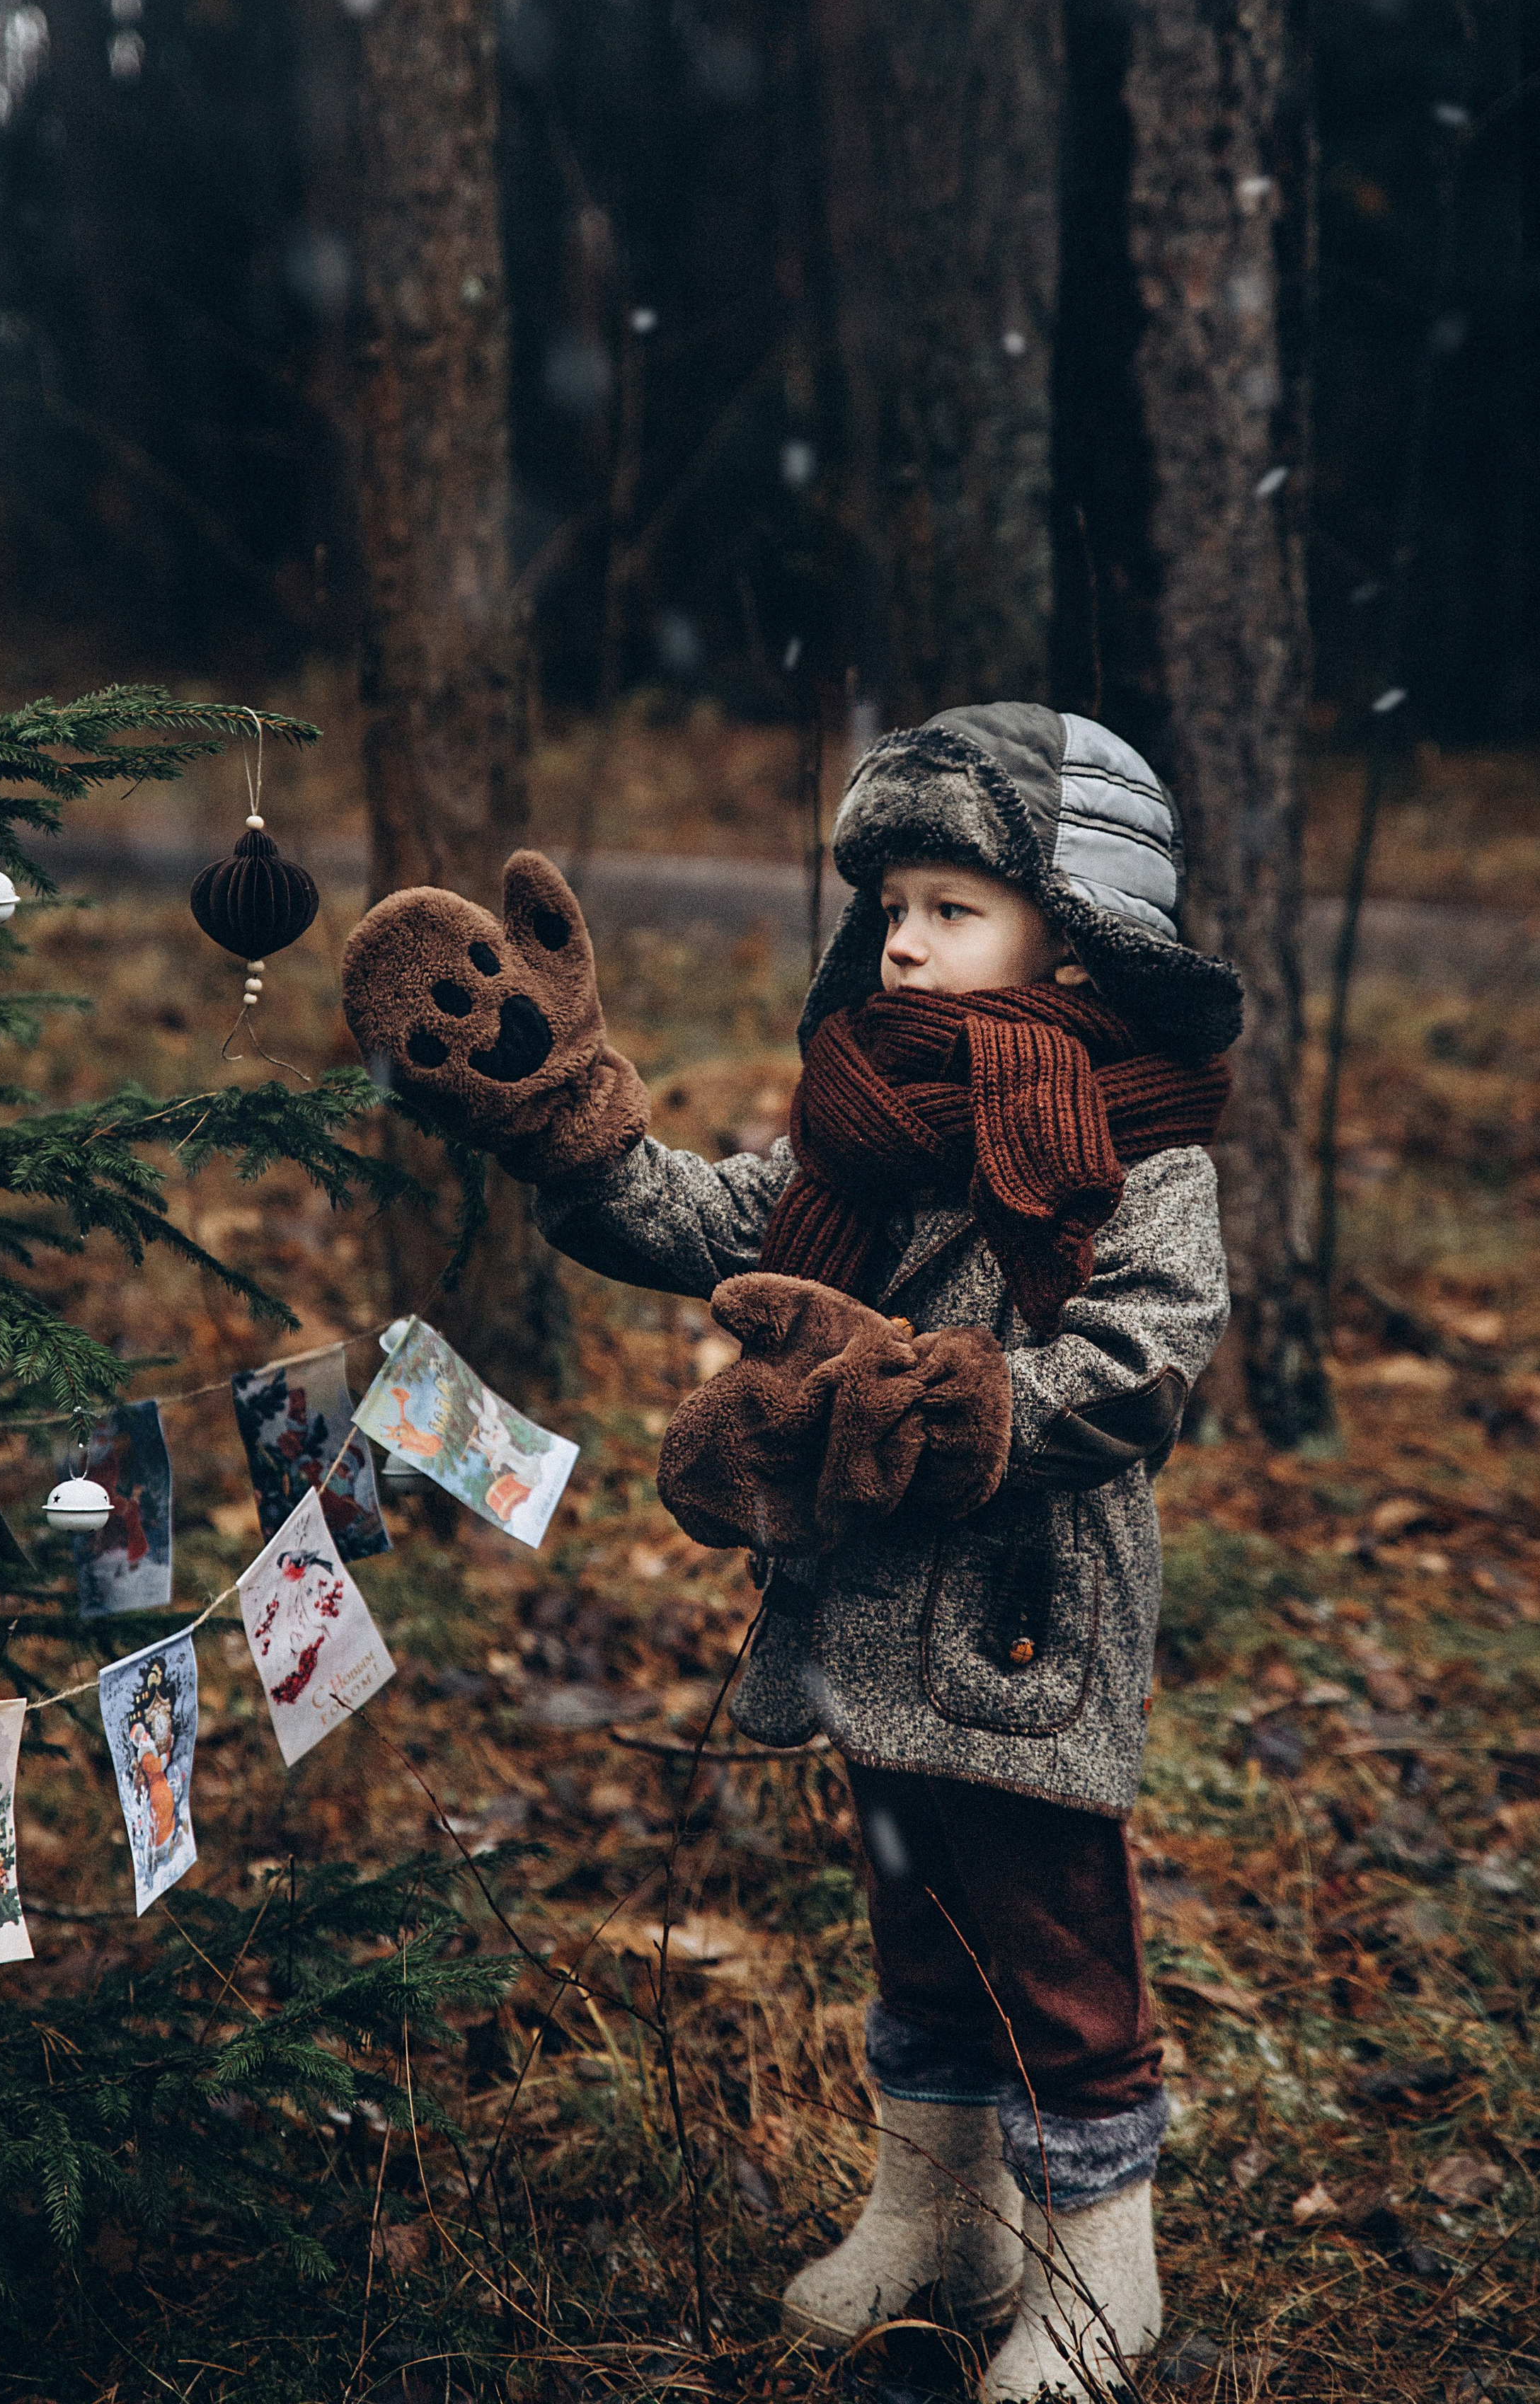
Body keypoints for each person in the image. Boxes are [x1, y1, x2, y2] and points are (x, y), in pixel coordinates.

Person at [340, 703, 1241, 2398]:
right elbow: (697, 1219)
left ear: (1071, 930)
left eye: (951, 907)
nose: (900, 938)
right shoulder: (865, 1132)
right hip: (871, 1608)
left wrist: (961, 1405)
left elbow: (1142, 1362)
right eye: (890, 902)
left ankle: (1098, 2265)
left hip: (1026, 1619)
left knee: (1051, 1942)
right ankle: (939, 2212)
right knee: (915, 1915)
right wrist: (566, 1121)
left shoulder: (1143, 1154)